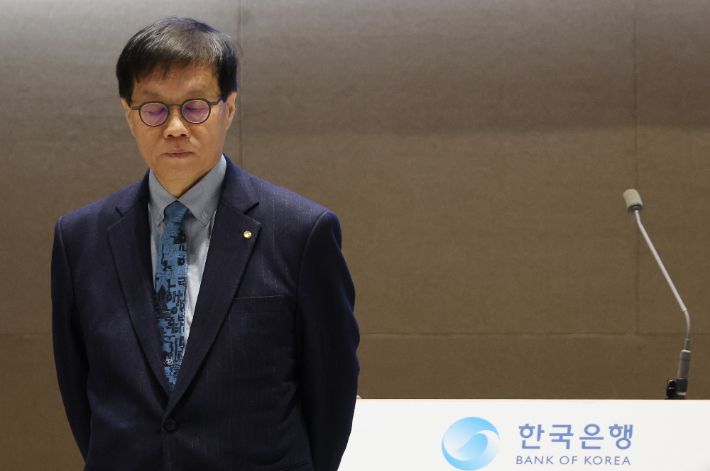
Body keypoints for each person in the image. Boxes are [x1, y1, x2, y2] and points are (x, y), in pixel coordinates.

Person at [51, 17, 359, 471]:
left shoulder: (301, 232)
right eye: (154, 109)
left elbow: (331, 389)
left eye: (195, 107)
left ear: (228, 109)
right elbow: (79, 390)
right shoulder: (80, 238)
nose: (175, 127)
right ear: (128, 114)